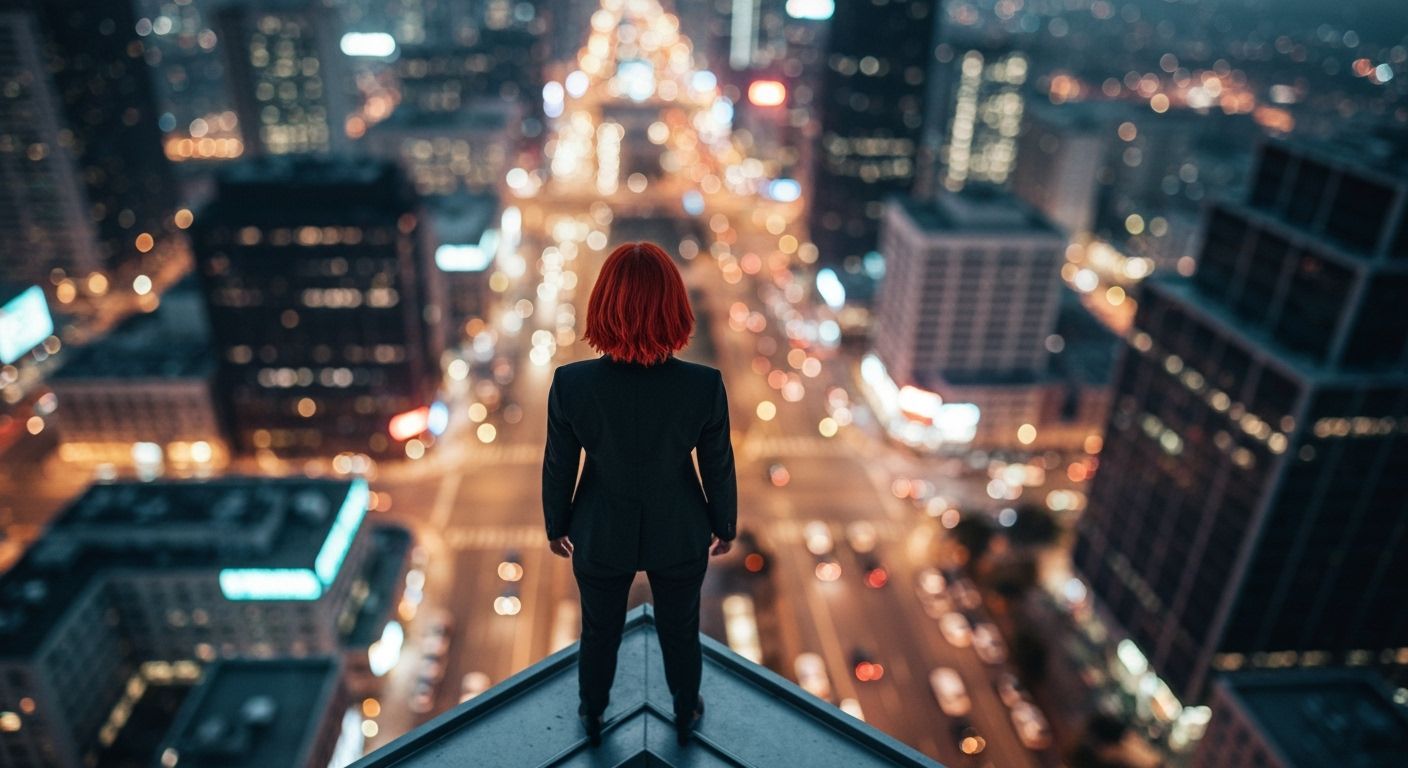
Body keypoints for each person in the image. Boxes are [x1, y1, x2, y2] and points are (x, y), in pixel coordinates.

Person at [541, 241, 737, 747]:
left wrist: (556, 524)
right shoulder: (703, 386)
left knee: (599, 632)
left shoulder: (571, 384)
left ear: (603, 306)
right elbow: (716, 465)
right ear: (675, 308)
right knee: (680, 630)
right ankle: (685, 709)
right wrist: (725, 525)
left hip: (600, 531)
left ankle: (592, 711)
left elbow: (560, 464)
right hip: (681, 532)